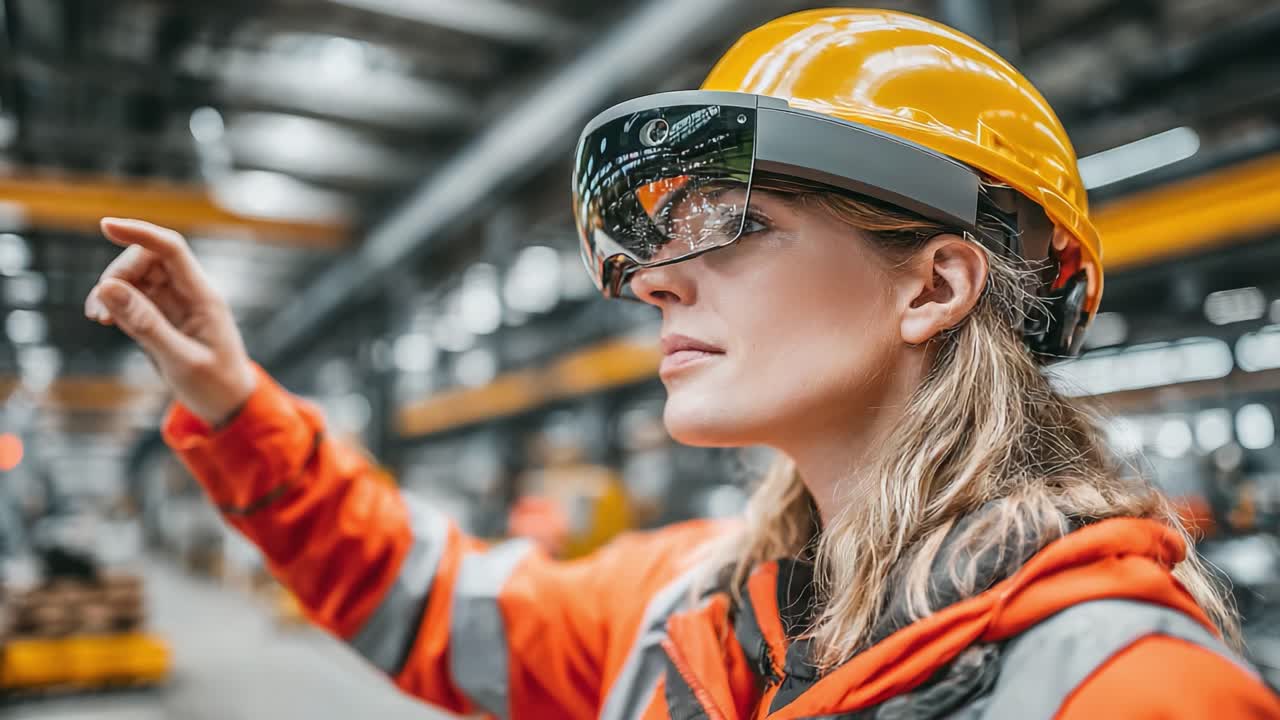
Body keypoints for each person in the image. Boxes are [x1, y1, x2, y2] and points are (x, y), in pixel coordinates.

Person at [84, 9, 1279, 719]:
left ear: (931, 286)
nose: (651, 279)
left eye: (727, 222)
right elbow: (424, 596)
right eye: (652, 240)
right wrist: (236, 406)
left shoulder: (1132, 691)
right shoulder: (683, 605)